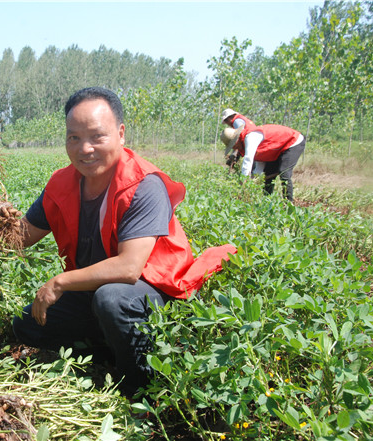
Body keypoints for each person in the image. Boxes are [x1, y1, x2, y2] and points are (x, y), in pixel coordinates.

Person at [13, 87, 237, 397]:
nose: (84, 149)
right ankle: (109, 349)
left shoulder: (144, 185)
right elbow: (19, 238)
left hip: (152, 290)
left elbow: (130, 267)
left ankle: (140, 388)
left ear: (120, 134)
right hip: (97, 289)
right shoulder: (61, 184)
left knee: (113, 300)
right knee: (27, 325)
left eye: (96, 137)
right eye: (73, 138)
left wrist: (58, 283)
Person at [220, 123, 306, 201]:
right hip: (277, 149)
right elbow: (260, 162)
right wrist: (255, 178)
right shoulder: (246, 143)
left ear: (237, 139)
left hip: (293, 141)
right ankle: (266, 202)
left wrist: (244, 182)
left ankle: (288, 205)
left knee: (284, 172)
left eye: (234, 145)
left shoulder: (250, 137)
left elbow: (248, 159)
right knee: (268, 175)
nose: (235, 148)